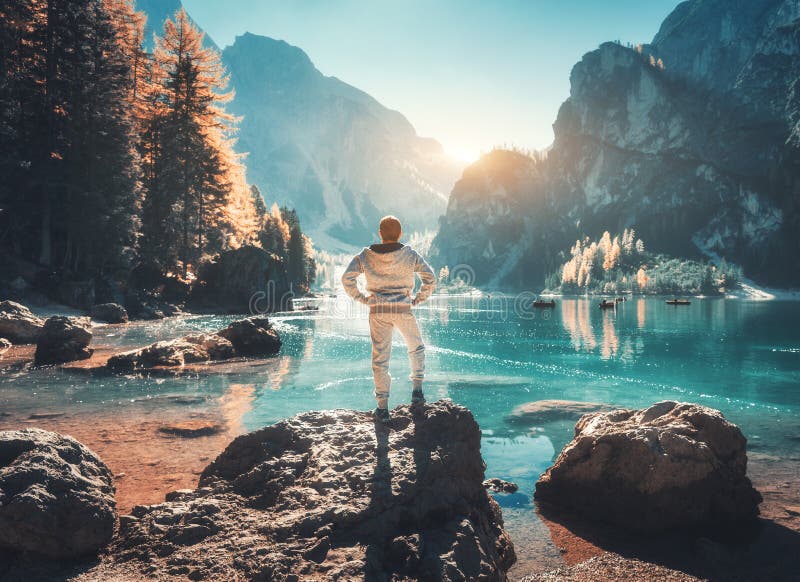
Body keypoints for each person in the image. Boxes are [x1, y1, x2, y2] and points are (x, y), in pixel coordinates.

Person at [341, 215, 436, 423]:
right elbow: (430, 278)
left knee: (380, 358)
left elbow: (346, 278)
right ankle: (417, 392)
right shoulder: (410, 254)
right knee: (416, 347)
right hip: (403, 308)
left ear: (380, 234)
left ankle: (382, 409)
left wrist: (363, 299)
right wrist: (418, 298)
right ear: (400, 234)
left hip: (378, 312)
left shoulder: (366, 255)